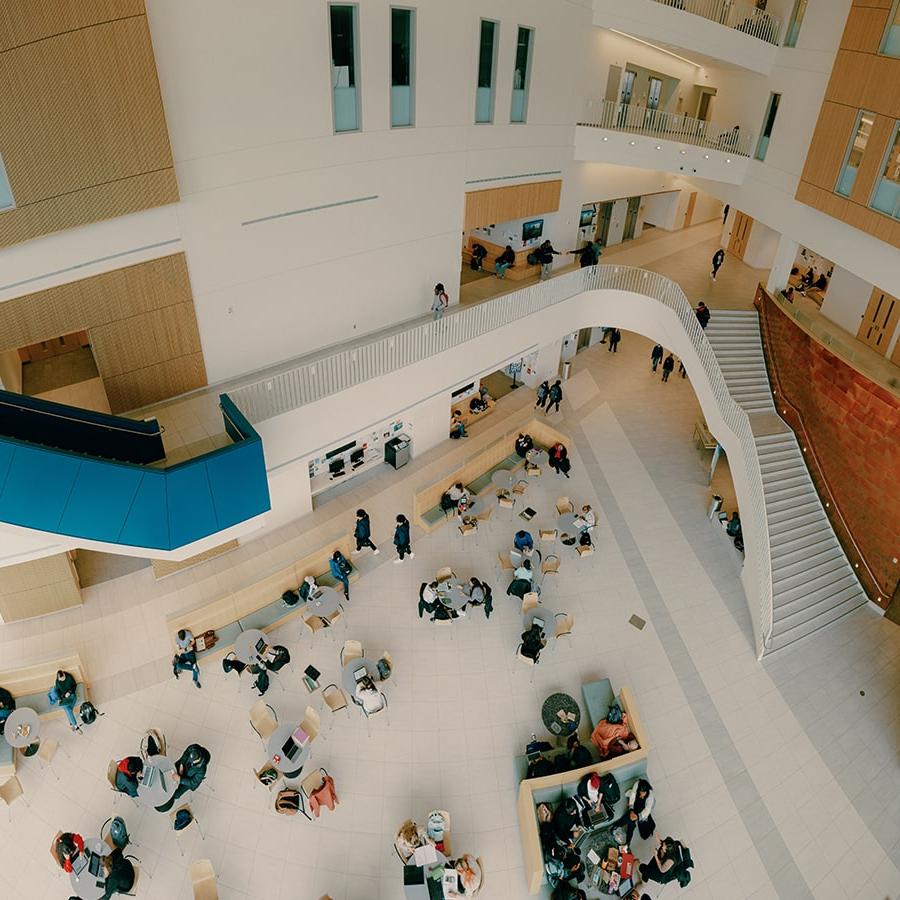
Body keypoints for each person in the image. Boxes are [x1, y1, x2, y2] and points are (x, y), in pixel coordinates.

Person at [156, 743, 211, 812]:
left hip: (186, 781)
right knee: (166, 780)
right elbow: (185, 754)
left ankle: (169, 801)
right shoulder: (193, 748)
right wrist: (181, 764)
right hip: (180, 769)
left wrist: (180, 779)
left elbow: (193, 783)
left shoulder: (202, 769)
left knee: (175, 794)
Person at [619, 778, 656, 847]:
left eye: (643, 793)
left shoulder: (650, 794)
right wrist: (631, 810)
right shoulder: (637, 784)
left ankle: (618, 827)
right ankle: (627, 842)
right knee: (630, 818)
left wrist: (638, 816)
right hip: (636, 803)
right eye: (640, 792)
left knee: (632, 822)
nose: (641, 794)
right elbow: (633, 795)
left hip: (642, 808)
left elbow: (647, 809)